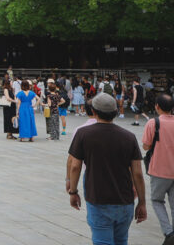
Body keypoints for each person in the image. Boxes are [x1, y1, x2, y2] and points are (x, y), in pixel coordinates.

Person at [68, 93, 147, 245]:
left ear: (94, 112)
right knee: (121, 241)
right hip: (125, 200)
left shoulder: (83, 134)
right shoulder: (129, 137)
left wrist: (73, 191)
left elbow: (75, 166)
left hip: (98, 199)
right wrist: (142, 202)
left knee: (102, 241)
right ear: (116, 113)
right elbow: (137, 173)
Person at [142, 93, 174, 243]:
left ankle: (168, 232)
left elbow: (146, 145)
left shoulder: (153, 123)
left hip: (159, 170)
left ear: (157, 106)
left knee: (157, 200)